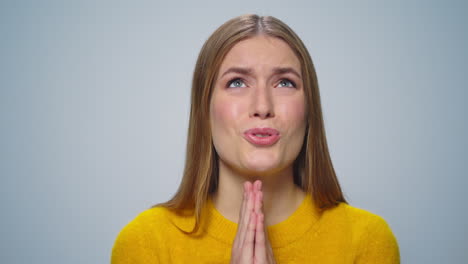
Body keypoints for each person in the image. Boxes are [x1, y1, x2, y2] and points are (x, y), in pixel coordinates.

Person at [111, 14, 400, 263]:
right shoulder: (145, 243)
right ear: (204, 110)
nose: (263, 106)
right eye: (237, 82)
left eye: (285, 82)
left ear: (309, 109)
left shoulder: (366, 240)